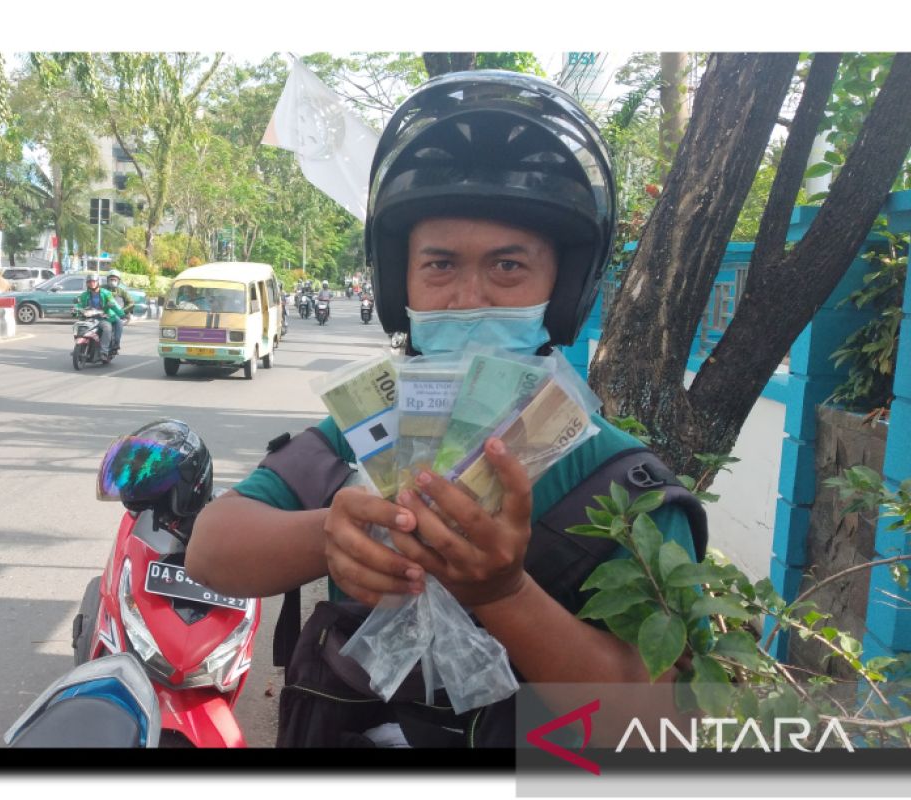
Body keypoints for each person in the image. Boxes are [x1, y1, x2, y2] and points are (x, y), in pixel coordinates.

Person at [186, 71, 706, 748]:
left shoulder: (625, 486)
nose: (469, 297)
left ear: (566, 286)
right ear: (398, 284)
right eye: (439, 266)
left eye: (508, 267)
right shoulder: (367, 432)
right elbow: (212, 548)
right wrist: (330, 535)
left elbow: (650, 724)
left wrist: (506, 593)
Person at [74, 275, 127, 362]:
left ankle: (104, 352)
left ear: (98, 282)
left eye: (94, 281)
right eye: (89, 282)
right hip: (89, 318)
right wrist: (75, 309)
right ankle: (79, 347)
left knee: (107, 328)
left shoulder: (106, 293)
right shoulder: (84, 295)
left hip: (102, 318)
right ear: (87, 284)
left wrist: (121, 314)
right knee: (79, 326)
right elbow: (79, 305)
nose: (92, 284)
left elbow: (113, 303)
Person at [104, 271, 134, 349]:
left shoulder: (122, 291)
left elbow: (131, 303)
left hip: (116, 314)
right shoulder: (101, 288)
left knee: (119, 322)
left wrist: (123, 311)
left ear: (118, 281)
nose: (112, 281)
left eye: (114, 280)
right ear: (107, 280)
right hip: (102, 312)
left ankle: (116, 343)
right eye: (111, 279)